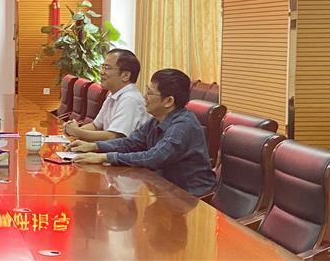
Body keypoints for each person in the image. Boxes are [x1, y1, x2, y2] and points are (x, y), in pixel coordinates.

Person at [69, 68, 216, 197]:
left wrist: (105, 157)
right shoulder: (157, 120)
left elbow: (154, 157)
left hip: (190, 197)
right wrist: (95, 146)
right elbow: (131, 142)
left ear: (168, 101)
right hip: (165, 189)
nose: (144, 96)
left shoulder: (182, 125)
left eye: (150, 93)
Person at [63, 49, 148, 141]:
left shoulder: (131, 99)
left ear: (126, 75)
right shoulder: (113, 94)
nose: (102, 72)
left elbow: (113, 137)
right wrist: (73, 133)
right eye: (102, 67)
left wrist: (76, 132)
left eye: (107, 68)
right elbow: (95, 126)